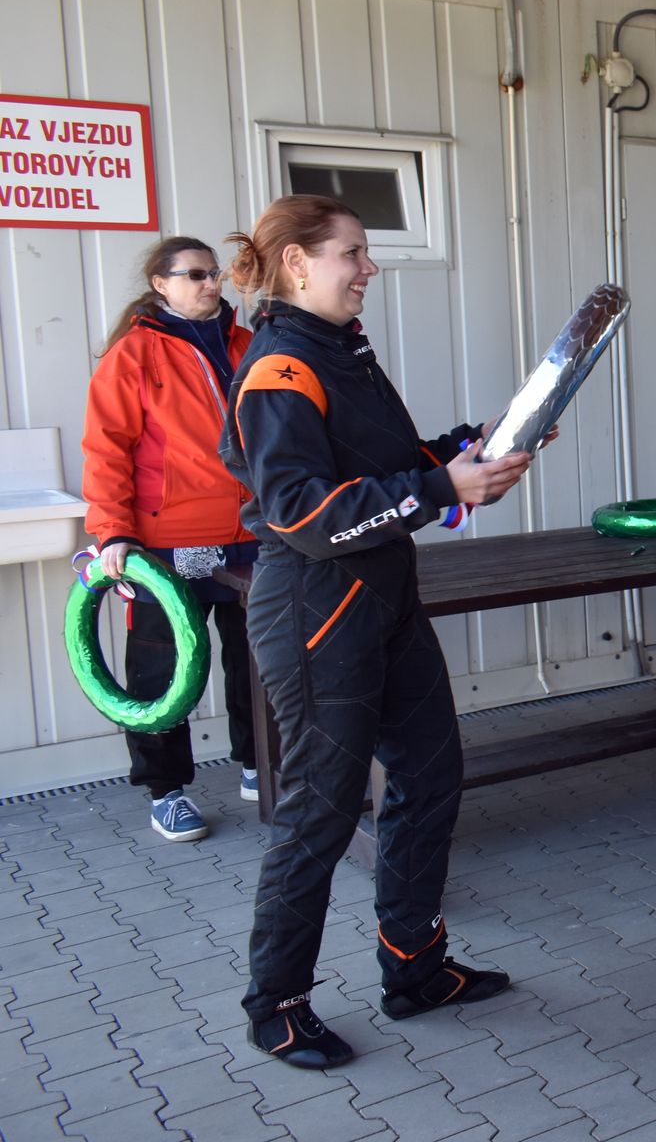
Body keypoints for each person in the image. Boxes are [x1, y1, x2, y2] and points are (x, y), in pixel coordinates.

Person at [221, 195, 535, 1069]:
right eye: (352, 253)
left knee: (431, 778)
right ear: (297, 263)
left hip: (386, 600)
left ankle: (416, 969)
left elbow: (387, 470)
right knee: (319, 815)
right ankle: (276, 1006)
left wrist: (471, 453)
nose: (370, 268)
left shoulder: (341, 351)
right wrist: (441, 491)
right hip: (316, 615)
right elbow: (303, 513)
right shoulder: (280, 368)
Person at [81, 236, 260, 843]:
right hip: (167, 545)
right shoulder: (133, 354)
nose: (211, 284)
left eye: (214, 274)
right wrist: (113, 531)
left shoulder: (249, 343)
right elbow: (106, 451)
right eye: (194, 275)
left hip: (252, 536)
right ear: (161, 284)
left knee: (258, 660)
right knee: (161, 669)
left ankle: (261, 766)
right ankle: (166, 792)